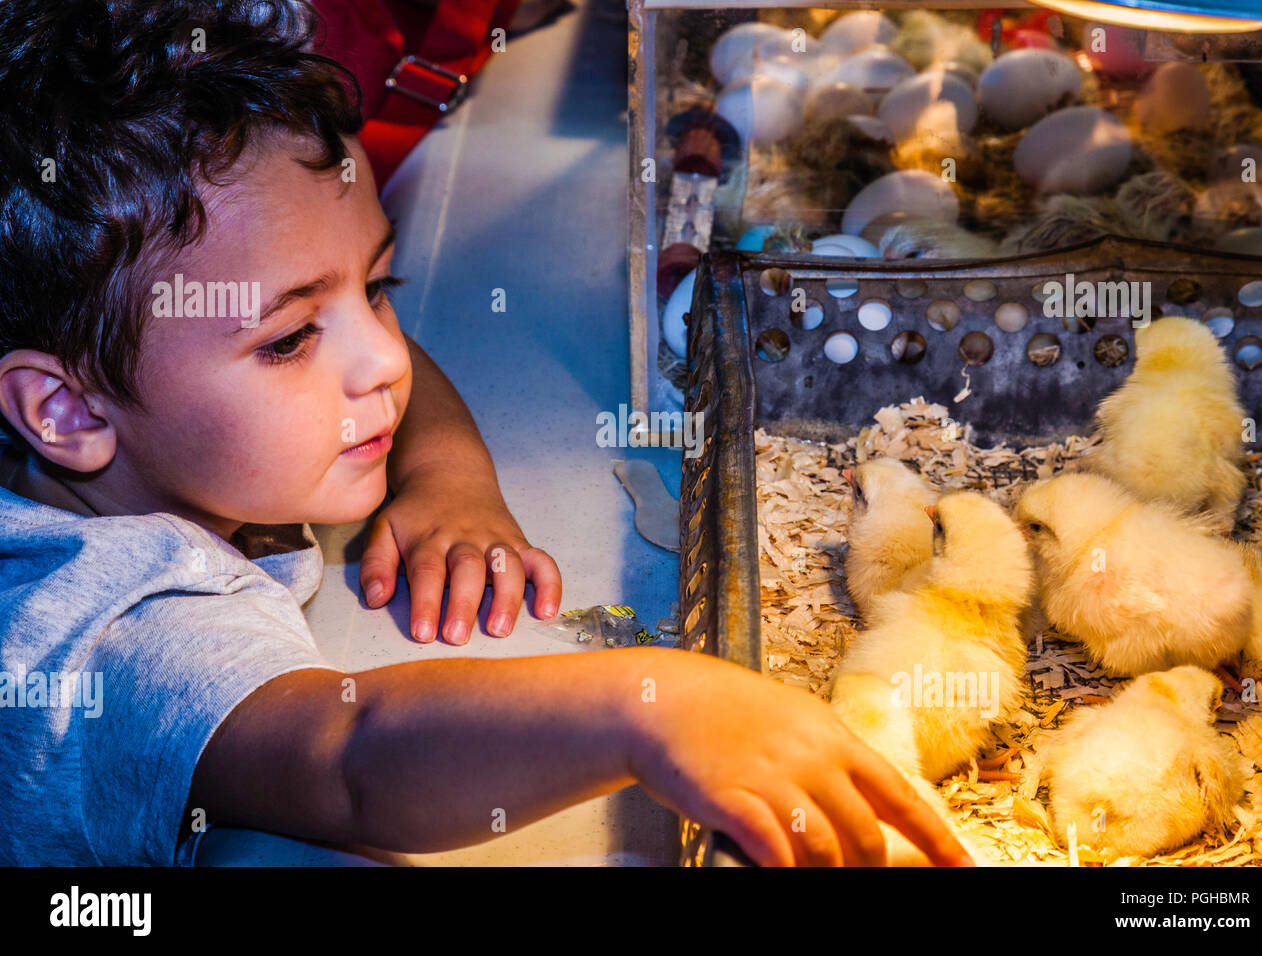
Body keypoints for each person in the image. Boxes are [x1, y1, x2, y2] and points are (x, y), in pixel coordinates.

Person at [0, 0, 970, 867]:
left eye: (376, 288)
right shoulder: (114, 631)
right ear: (65, 413)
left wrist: (446, 475)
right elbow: (350, 759)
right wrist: (647, 703)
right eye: (293, 335)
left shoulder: (138, 419)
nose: (382, 357)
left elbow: (388, 365)